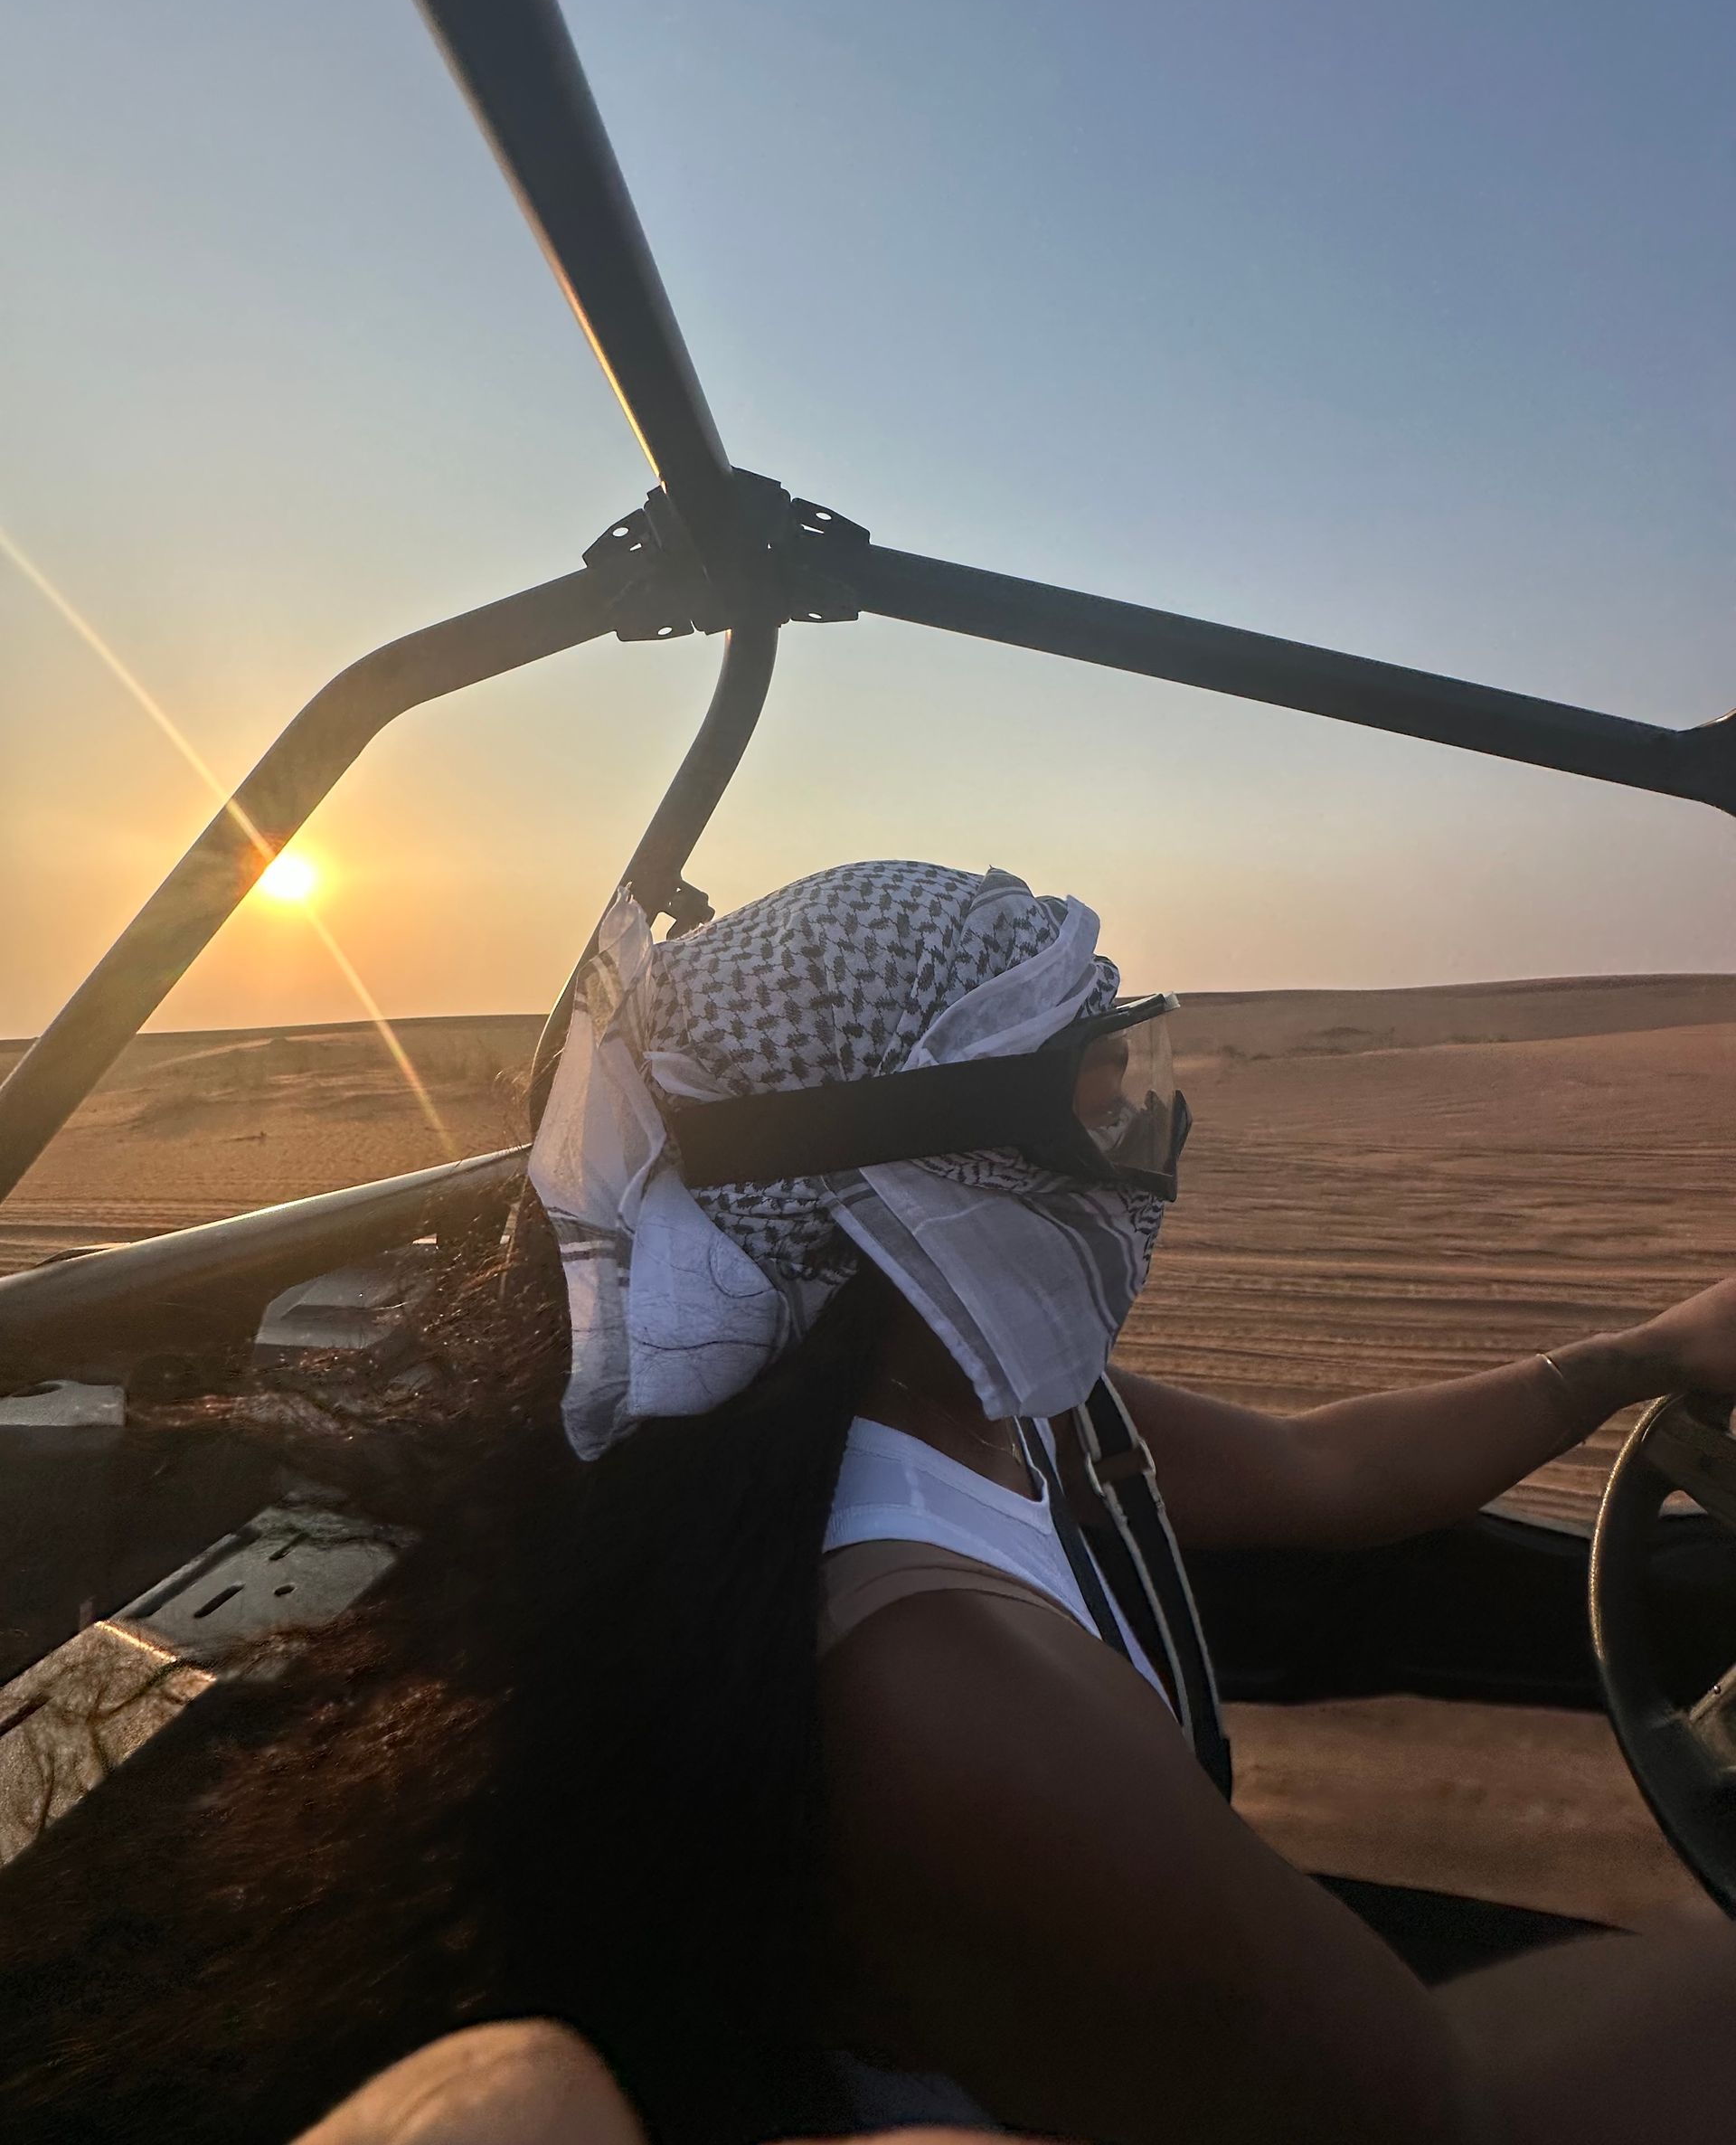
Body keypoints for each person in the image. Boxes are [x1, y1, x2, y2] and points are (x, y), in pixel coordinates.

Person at [3, 857, 1734, 2145]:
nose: (1143, 1160)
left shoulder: (981, 1404)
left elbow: (1323, 1471)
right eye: (1096, 1112)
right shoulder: (932, 1682)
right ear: (897, 1188)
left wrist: (1636, 1353)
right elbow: (1437, 2113)